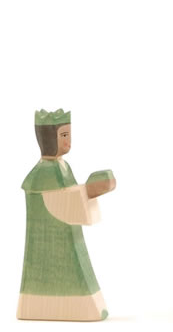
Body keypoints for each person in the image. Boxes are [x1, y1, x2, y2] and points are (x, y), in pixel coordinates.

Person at [17, 109, 116, 321]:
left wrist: (87, 192)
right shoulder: (43, 172)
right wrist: (88, 191)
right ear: (47, 138)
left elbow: (68, 195)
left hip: (67, 232)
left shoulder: (64, 167)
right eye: (63, 135)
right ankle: (48, 304)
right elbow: (56, 200)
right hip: (50, 237)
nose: (68, 141)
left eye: (69, 134)